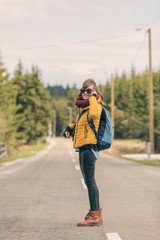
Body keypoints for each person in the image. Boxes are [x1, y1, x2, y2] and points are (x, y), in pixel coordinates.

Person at [64, 78, 104, 227]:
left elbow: (94, 116)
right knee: (89, 181)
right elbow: (82, 125)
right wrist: (69, 128)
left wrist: (93, 97)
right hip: (82, 146)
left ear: (95, 92)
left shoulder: (96, 106)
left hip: (89, 147)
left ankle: (95, 216)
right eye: (83, 90)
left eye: (89, 90)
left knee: (90, 181)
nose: (85, 93)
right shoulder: (83, 108)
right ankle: (94, 213)